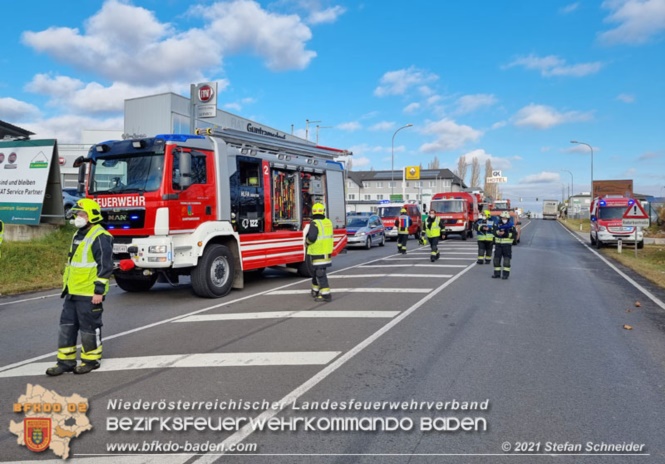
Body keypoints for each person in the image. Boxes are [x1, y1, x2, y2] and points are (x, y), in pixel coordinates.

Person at [46, 198, 113, 376]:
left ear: (91, 215)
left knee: (89, 327)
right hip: (72, 291)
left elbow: (105, 266)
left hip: (89, 293)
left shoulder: (101, 237)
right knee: (66, 327)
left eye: (81, 214)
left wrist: (99, 291)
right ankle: (65, 362)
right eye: (76, 214)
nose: (77, 217)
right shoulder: (78, 234)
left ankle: (91, 360)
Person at [307, 202, 334, 302]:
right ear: (323, 211)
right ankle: (315, 290)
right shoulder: (328, 222)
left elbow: (312, 238)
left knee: (319, 273)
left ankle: (326, 295)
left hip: (317, 252)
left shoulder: (314, 223)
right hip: (326, 252)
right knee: (317, 272)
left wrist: (307, 242)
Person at [492, 211, 516, 280]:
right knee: (496, 260)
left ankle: (505, 275)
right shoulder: (497, 224)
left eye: (505, 218)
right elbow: (493, 231)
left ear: (508, 218)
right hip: (498, 245)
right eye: (503, 218)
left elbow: (513, 234)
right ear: (501, 218)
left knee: (506, 261)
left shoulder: (511, 225)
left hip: (507, 246)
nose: (504, 219)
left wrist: (505, 234)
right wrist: (498, 233)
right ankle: (497, 274)